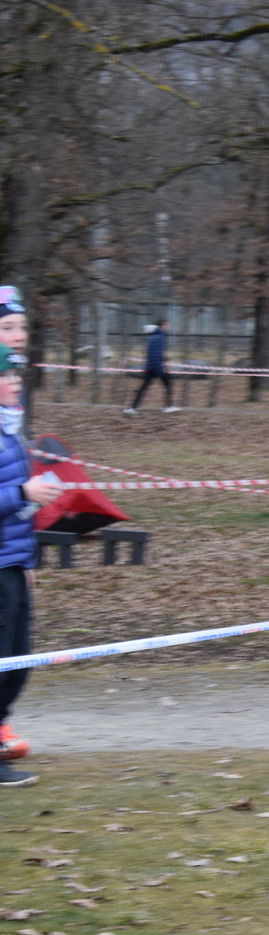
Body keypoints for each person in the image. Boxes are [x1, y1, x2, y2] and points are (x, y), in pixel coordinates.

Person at [0, 288, 64, 786]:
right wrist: (23, 490)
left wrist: (27, 561)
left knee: (17, 659)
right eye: (8, 376)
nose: (16, 383)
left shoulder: (10, 427)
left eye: (17, 376)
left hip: (12, 560)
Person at [125, 319, 176, 414]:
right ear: (162, 325)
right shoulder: (160, 337)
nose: (168, 326)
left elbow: (152, 352)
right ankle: (168, 407)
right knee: (168, 385)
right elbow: (156, 353)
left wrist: (162, 359)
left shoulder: (152, 336)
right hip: (157, 367)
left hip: (150, 366)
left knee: (144, 387)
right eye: (167, 325)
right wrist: (160, 368)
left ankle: (132, 407)